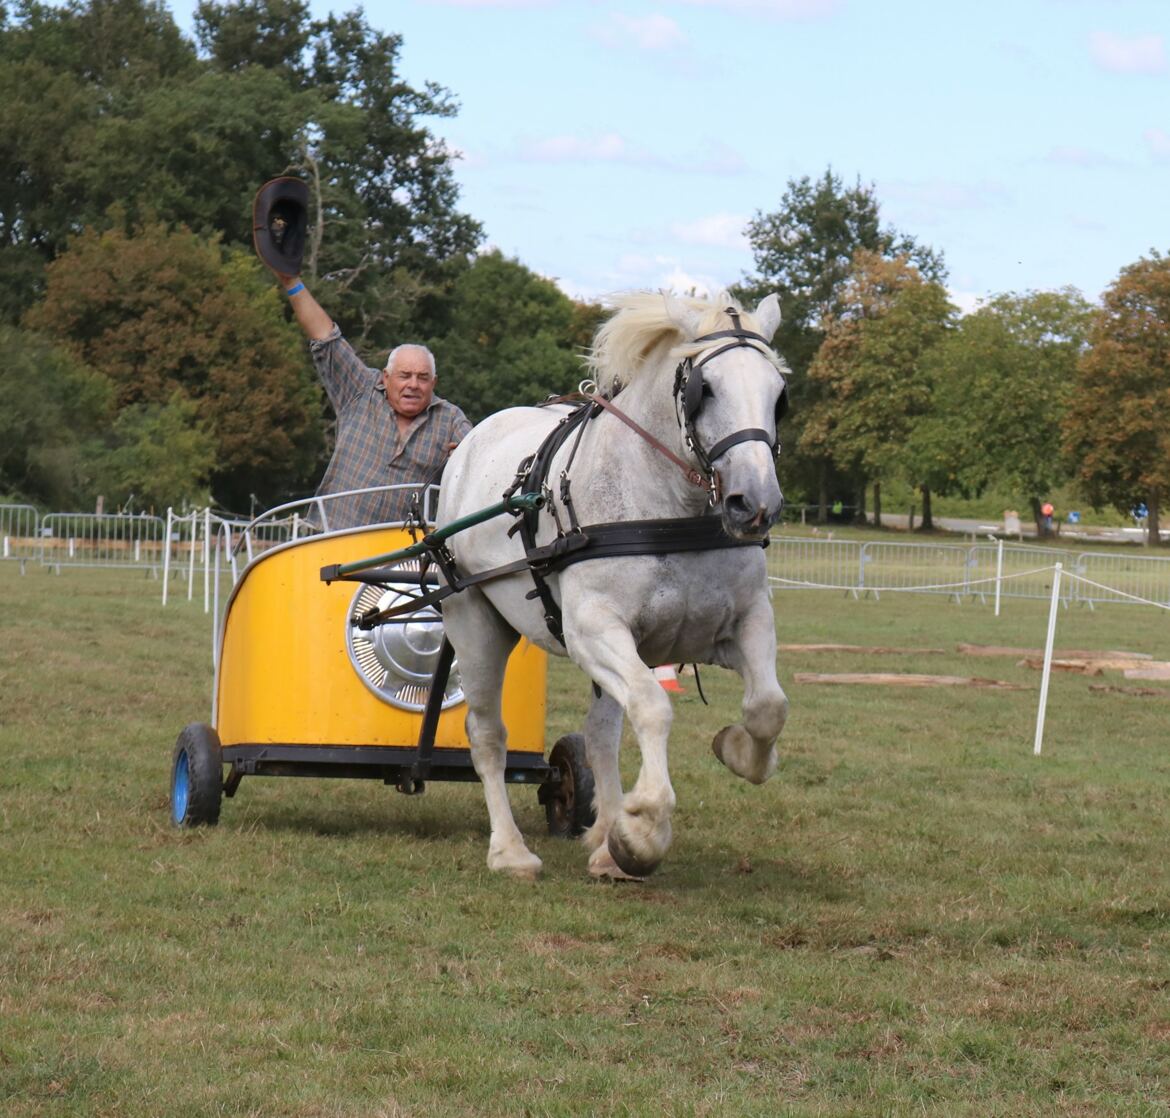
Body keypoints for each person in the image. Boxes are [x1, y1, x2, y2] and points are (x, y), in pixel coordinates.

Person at [274, 269, 472, 529]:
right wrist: (291, 281)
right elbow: (325, 337)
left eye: (423, 378)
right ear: (386, 378)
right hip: (329, 536)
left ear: (434, 383)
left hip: (402, 551)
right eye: (405, 376)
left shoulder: (450, 419)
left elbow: (476, 453)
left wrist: (466, 455)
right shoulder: (360, 389)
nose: (413, 384)